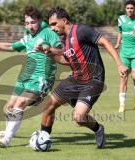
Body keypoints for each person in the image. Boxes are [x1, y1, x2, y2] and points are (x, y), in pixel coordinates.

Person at [35, 6, 127, 149]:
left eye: (54, 24)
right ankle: (43, 138)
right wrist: (50, 54)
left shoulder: (81, 30)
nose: (52, 28)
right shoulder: (65, 40)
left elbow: (105, 42)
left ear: (64, 20)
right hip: (76, 79)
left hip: (93, 80)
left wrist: (120, 64)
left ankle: (98, 129)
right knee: (48, 105)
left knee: (79, 117)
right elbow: (67, 60)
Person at [0, 6, 63, 148]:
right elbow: (11, 46)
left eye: (33, 22)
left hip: (41, 78)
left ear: (40, 21)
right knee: (10, 106)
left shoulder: (48, 33)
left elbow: (61, 50)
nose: (30, 26)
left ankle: (7, 139)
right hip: (25, 76)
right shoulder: (28, 37)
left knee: (20, 103)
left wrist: (48, 49)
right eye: (27, 23)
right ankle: (8, 131)